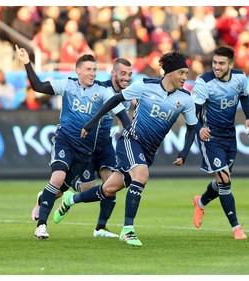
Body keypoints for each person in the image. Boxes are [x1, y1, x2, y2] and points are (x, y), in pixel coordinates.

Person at [52, 50, 198, 247]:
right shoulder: (145, 86)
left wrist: (184, 153)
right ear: (170, 73)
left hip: (149, 151)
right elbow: (114, 100)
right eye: (181, 72)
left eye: (186, 73)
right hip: (131, 140)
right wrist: (92, 122)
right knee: (141, 174)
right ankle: (128, 230)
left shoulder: (186, 99)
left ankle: (70, 199)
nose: (184, 77)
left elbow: (192, 127)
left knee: (108, 189)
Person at [15, 44, 127, 239]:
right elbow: (38, 87)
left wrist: (131, 130)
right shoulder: (67, 84)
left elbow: (122, 114)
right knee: (57, 177)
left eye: (94, 69)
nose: (92, 73)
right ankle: (41, 225)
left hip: (85, 152)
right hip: (64, 141)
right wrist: (27, 63)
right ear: (78, 71)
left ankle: (43, 198)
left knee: (60, 190)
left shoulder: (103, 92)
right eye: (88, 69)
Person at [191, 45, 249, 240]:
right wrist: (199, 128)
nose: (217, 67)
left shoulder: (240, 78)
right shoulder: (204, 82)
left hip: (230, 136)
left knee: (221, 183)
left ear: (230, 64)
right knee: (225, 181)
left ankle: (200, 202)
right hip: (210, 136)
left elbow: (244, 96)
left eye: (221, 63)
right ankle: (236, 227)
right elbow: (193, 111)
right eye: (214, 63)